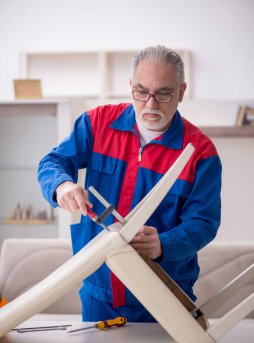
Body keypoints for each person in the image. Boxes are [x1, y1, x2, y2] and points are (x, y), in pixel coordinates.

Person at [38, 45, 222, 322]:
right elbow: (52, 163)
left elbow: (203, 223)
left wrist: (163, 244)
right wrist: (62, 186)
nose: (150, 104)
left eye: (163, 93)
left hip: (164, 296)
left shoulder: (201, 153)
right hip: (99, 293)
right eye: (141, 91)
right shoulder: (97, 123)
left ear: (181, 92)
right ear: (130, 87)